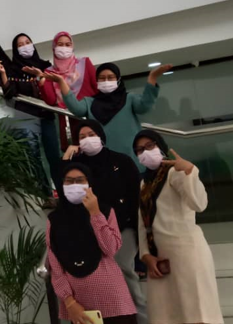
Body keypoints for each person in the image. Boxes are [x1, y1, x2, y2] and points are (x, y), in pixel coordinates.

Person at [133, 130, 223, 324]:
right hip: (160, 260)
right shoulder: (144, 183)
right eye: (140, 150)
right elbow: (143, 222)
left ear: (161, 146)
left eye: (150, 146)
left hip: (187, 254)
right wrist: (146, 255)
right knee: (165, 316)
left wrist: (189, 171)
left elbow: (199, 204)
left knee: (197, 313)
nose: (145, 152)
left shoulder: (175, 172)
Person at [64, 120, 147, 324]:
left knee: (121, 267)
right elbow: (64, 189)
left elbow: (137, 197)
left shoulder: (122, 161)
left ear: (101, 136)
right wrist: (66, 159)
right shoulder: (78, 167)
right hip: (91, 230)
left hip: (124, 227)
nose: (87, 139)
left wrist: (142, 232)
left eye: (91, 134)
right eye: (82, 137)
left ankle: (141, 318)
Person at [47, 163, 137, 324]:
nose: (74, 185)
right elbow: (55, 265)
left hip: (114, 301)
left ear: (89, 183)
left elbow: (111, 249)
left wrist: (95, 213)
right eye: (69, 181)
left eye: (80, 180)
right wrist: (69, 302)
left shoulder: (105, 211)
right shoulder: (55, 220)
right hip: (79, 305)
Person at [45, 62, 171, 164]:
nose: (106, 81)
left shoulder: (129, 98)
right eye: (102, 78)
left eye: (110, 77)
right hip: (105, 162)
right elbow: (76, 108)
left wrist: (152, 78)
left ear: (118, 80)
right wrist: (61, 82)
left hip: (133, 159)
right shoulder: (90, 102)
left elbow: (144, 106)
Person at [10, 33, 63, 194]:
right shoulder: (13, 69)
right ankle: (46, 194)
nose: (25, 46)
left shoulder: (45, 66)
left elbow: (53, 92)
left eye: (27, 42)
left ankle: (62, 192)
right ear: (15, 50)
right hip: (25, 116)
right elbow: (11, 91)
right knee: (33, 156)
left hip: (46, 115)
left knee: (53, 155)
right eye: (20, 45)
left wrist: (40, 76)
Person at [39, 32, 98, 149]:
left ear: (72, 47)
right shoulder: (49, 71)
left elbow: (97, 88)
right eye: (60, 44)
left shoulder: (84, 63)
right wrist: (41, 82)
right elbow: (51, 100)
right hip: (68, 120)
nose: (64, 48)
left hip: (89, 114)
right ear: (54, 48)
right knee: (74, 154)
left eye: (68, 44)